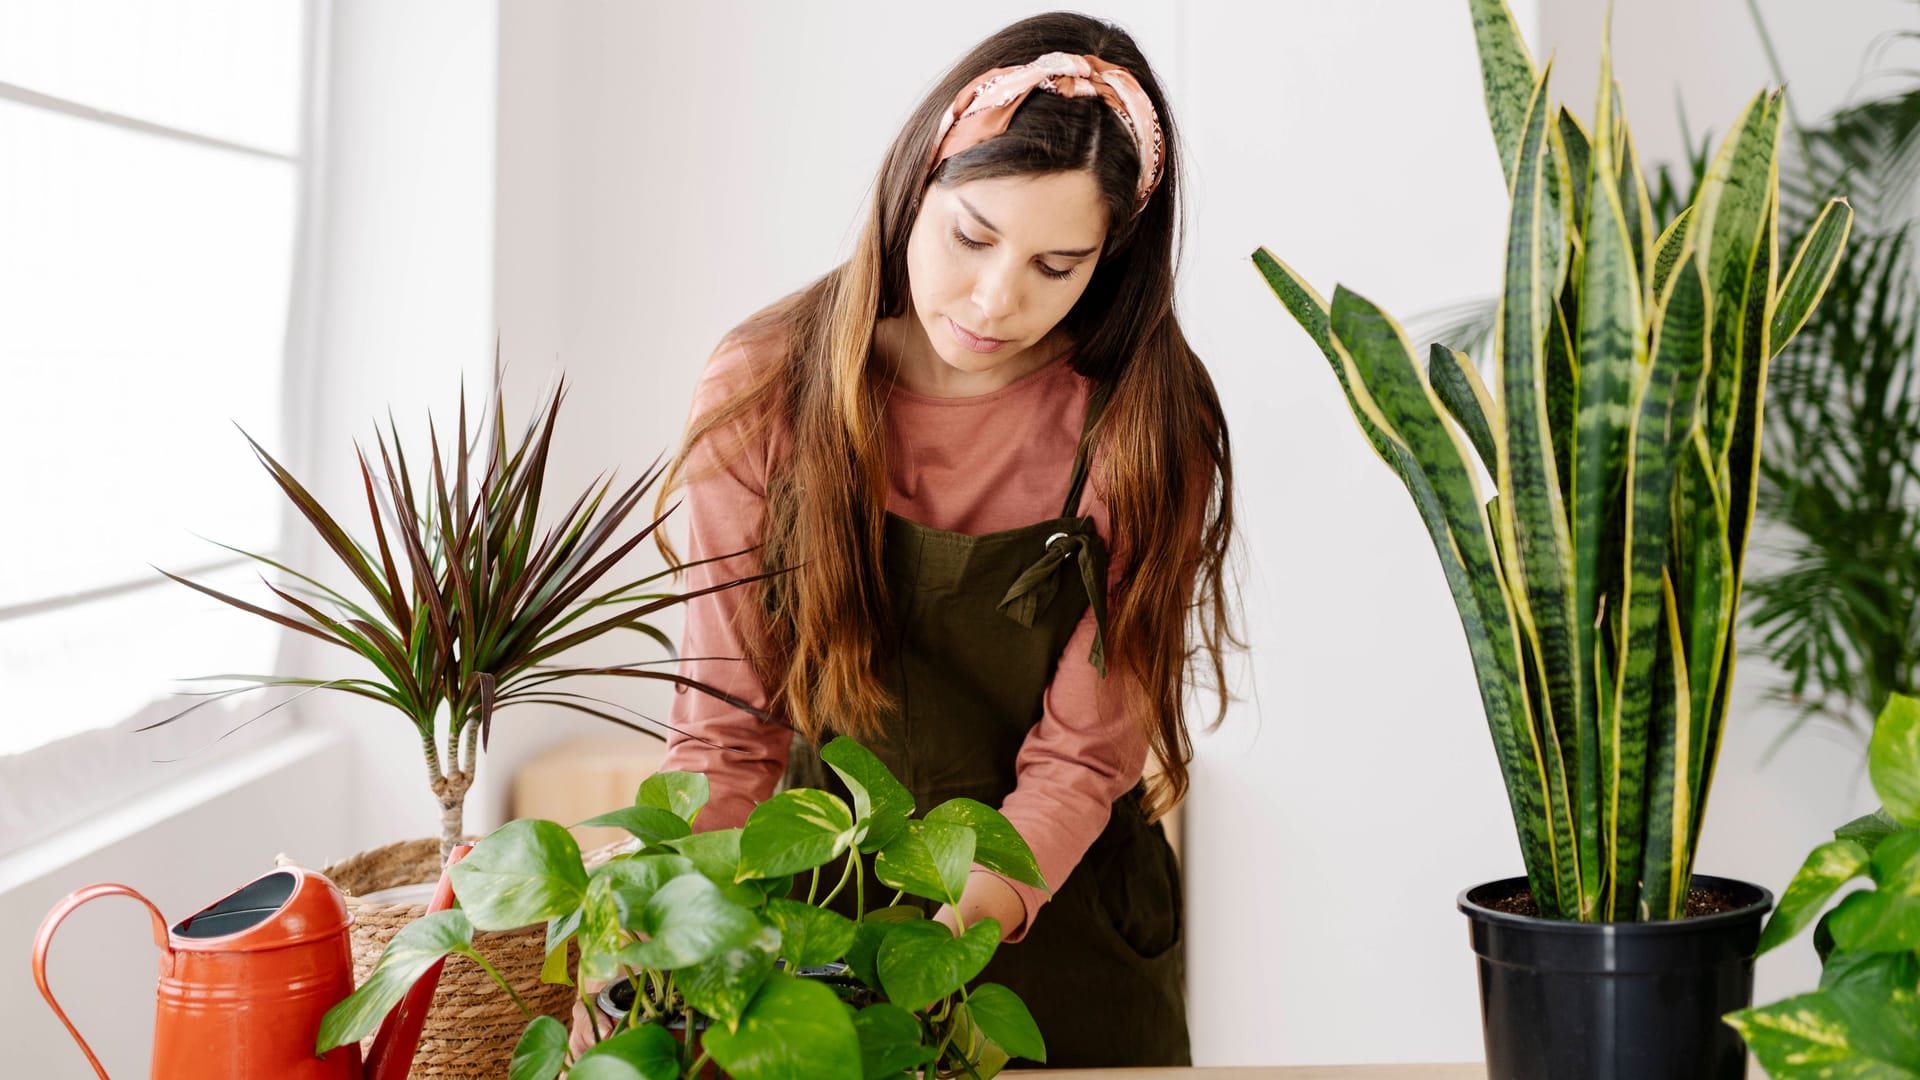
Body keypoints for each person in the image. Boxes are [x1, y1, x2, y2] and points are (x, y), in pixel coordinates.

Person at [576, 11, 1236, 1068]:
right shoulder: (767, 386)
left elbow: (1083, 755)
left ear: (1109, 262)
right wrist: (681, 933)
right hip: (817, 898)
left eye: (1056, 265)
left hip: (1062, 915)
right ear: (916, 185)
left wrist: (939, 947)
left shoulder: (1142, 422)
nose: (994, 299)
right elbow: (728, 730)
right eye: (971, 237)